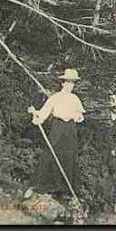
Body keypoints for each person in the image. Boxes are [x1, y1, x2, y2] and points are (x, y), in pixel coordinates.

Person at [24, 69, 85, 199]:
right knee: (50, 153)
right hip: (58, 127)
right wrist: (37, 115)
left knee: (68, 156)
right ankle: (39, 185)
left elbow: (80, 117)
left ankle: (64, 190)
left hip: (70, 129)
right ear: (63, 83)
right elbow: (44, 113)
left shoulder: (75, 99)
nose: (70, 85)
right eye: (68, 82)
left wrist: (75, 116)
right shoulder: (55, 98)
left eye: (73, 83)